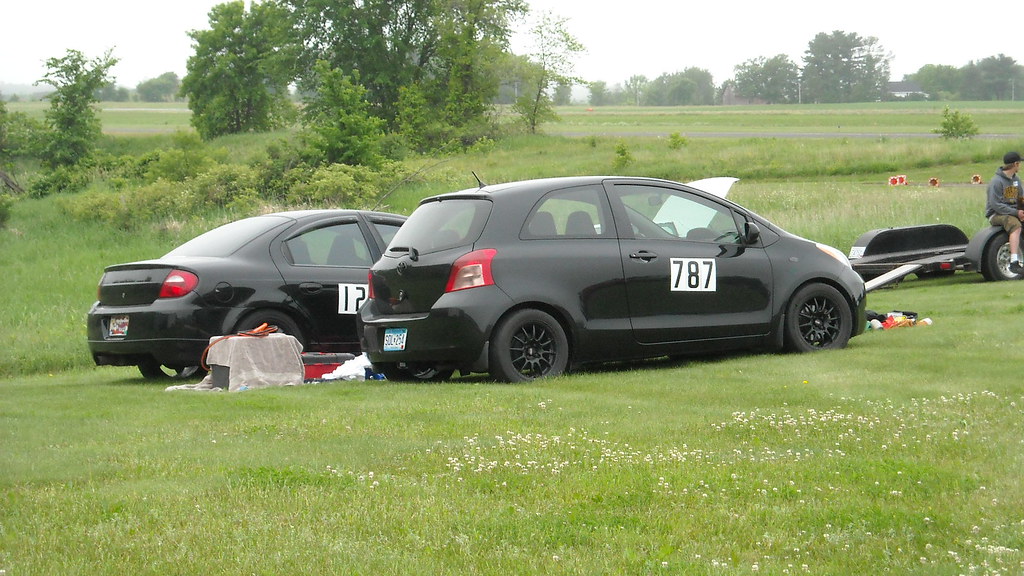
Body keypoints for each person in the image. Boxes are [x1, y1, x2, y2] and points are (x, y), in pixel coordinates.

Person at [985, 151, 1024, 274]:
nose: (1020, 166)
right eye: (1019, 163)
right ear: (1016, 164)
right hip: (996, 215)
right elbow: (996, 205)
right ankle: (1014, 262)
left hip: (1013, 212)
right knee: (1015, 226)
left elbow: (1021, 198)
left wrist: (1022, 211)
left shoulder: (1016, 180)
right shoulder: (996, 182)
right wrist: (1016, 213)